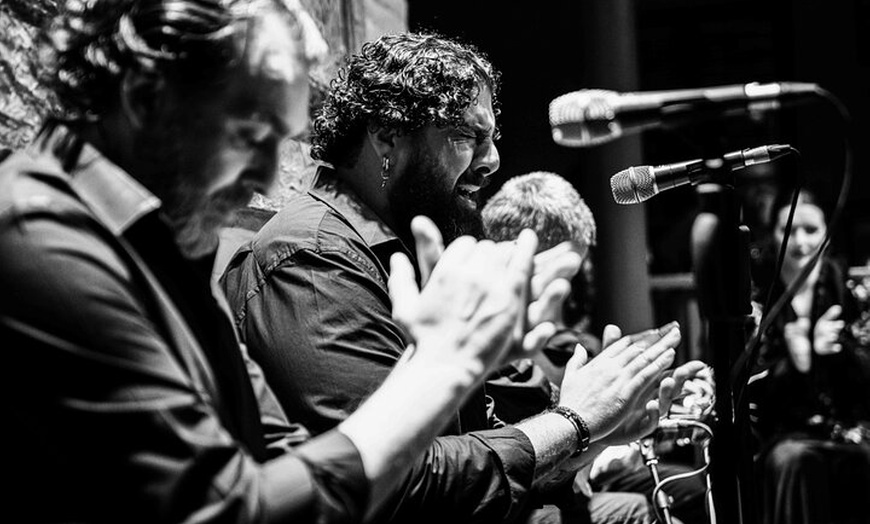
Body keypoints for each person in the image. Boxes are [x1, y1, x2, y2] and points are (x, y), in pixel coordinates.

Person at [0, 2, 567, 522]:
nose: (270, 178)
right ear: (147, 100)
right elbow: (230, 509)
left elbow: (282, 453)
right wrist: (444, 368)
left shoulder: (165, 243)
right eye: (252, 133)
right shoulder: (33, 235)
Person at [222, 32, 694, 523]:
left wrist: (599, 427)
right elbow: (406, 487)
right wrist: (573, 421)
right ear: (387, 135)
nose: (491, 162)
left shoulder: (400, 247)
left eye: (492, 138)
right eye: (468, 137)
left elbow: (473, 449)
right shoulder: (313, 260)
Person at [483, 171, 711, 524]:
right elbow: (521, 483)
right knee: (637, 510)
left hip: (548, 491)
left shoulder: (564, 346)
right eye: (569, 272)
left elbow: (554, 477)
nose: (572, 290)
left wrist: (609, 430)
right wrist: (593, 431)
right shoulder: (486, 346)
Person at [750, 188, 870, 524]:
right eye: (789, 230)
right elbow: (746, 387)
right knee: (795, 460)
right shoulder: (759, 297)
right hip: (781, 434)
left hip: (844, 428)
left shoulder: (847, 292)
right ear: (774, 234)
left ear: (827, 235)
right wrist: (795, 361)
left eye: (811, 230)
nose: (799, 241)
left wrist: (837, 350)